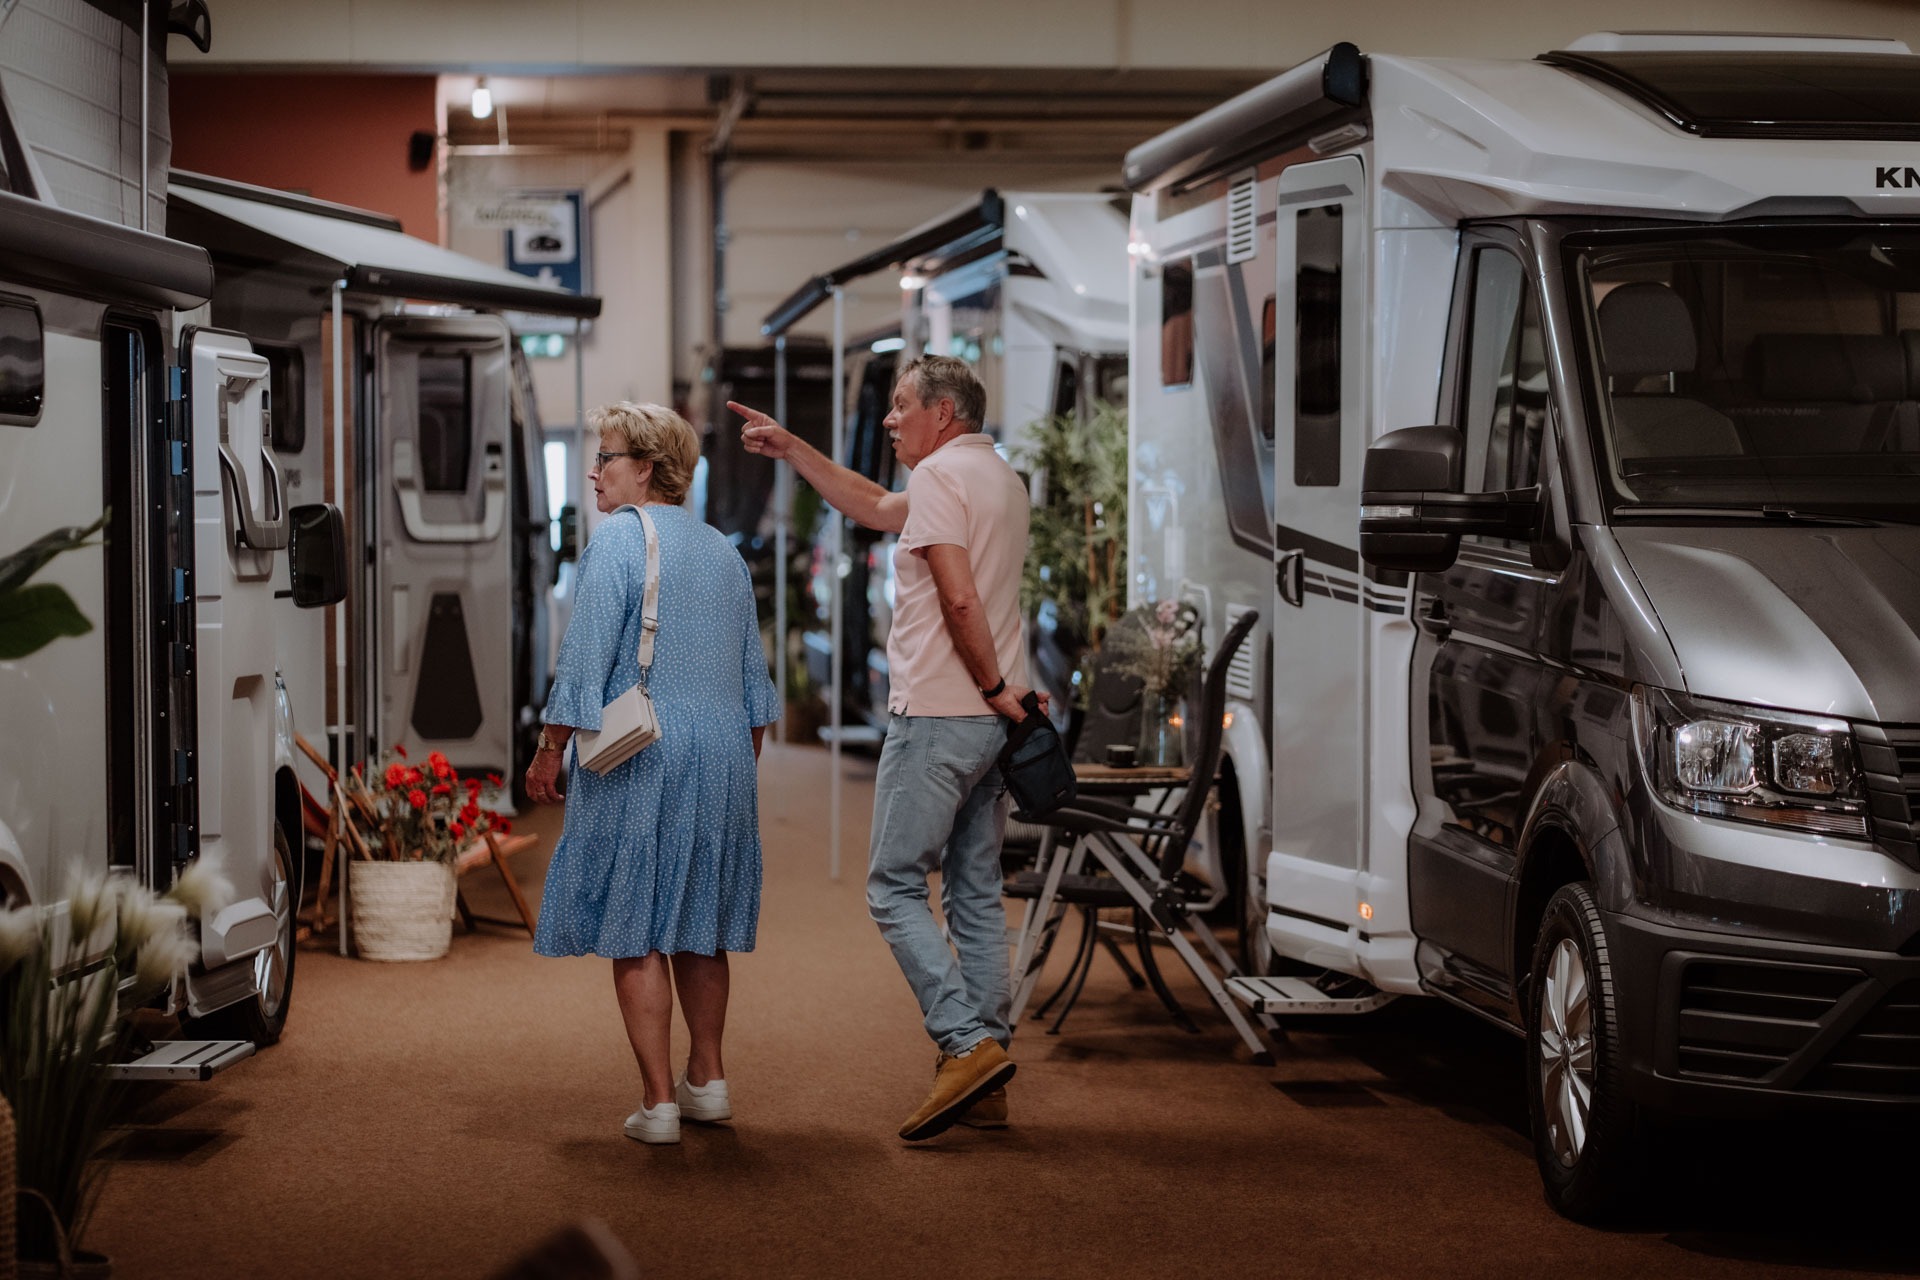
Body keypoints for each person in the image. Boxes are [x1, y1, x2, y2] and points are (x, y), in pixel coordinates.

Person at [731, 355, 1044, 1142]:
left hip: (941, 712)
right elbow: (873, 504)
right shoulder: (999, 478)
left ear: (945, 413)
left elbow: (959, 597)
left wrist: (989, 683)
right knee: (974, 892)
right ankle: (990, 1072)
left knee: (893, 887)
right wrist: (793, 448)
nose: (890, 419)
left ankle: (965, 1045)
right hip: (993, 725)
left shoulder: (940, 477)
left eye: (903, 405)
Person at [526, 402, 780, 1147]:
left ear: (645, 468)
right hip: (723, 752)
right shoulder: (724, 551)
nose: (594, 473)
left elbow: (583, 659)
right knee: (700, 921)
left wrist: (550, 747)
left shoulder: (618, 540)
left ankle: (659, 1102)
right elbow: (755, 684)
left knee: (634, 920)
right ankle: (710, 1081)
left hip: (641, 748)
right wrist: (735, 764)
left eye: (605, 458)